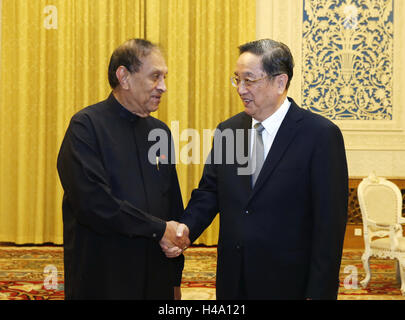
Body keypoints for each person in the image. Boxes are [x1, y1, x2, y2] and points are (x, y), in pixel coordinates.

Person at [166, 39, 348, 300]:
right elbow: (209, 194)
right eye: (237, 79)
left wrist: (318, 292)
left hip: (290, 283)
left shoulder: (320, 135)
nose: (240, 89)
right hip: (234, 280)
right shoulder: (229, 131)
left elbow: (329, 225)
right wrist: (183, 232)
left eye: (249, 80)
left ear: (280, 82)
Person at [57, 38, 189, 300]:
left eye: (164, 77)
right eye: (155, 77)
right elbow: (93, 203)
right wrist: (158, 229)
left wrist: (175, 279)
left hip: (155, 276)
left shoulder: (160, 132)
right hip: (105, 276)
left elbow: (171, 202)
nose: (163, 87)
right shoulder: (86, 127)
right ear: (124, 76)